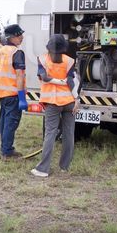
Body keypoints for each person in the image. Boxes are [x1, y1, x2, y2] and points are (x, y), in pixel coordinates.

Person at [31, 34, 80, 177]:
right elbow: (71, 81)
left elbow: (44, 77)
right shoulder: (69, 60)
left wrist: (57, 81)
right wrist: (77, 99)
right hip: (69, 102)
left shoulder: (42, 59)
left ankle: (43, 169)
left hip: (52, 102)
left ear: (49, 47)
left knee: (50, 134)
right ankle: (64, 166)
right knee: (69, 134)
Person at [0, 24, 27, 160]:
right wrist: (22, 97)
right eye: (20, 35)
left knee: (4, 121)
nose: (22, 38)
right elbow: (19, 75)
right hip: (13, 94)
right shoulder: (17, 52)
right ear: (14, 36)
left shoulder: (2, 50)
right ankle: (7, 152)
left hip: (2, 92)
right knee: (11, 122)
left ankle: (5, 148)